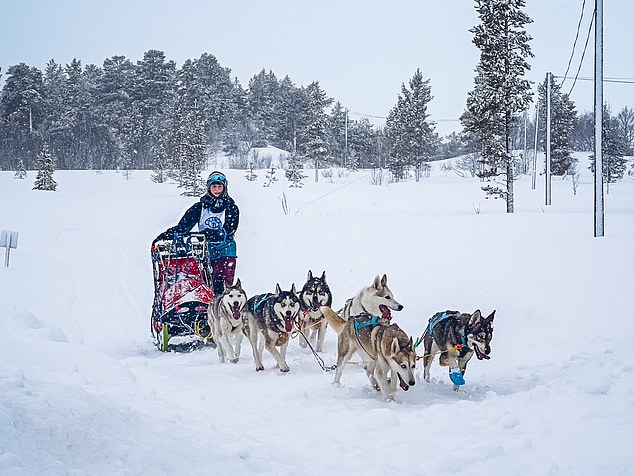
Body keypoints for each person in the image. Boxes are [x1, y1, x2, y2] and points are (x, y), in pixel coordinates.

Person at [155, 171, 239, 295]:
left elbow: (230, 229)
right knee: (206, 282)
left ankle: (222, 309)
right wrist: (168, 234)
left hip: (226, 250)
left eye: (220, 186)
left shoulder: (231, 207)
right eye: (214, 186)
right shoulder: (199, 207)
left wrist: (215, 233)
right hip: (205, 250)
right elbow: (183, 226)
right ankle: (207, 308)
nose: (217, 190)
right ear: (209, 187)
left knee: (223, 284)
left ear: (224, 187)